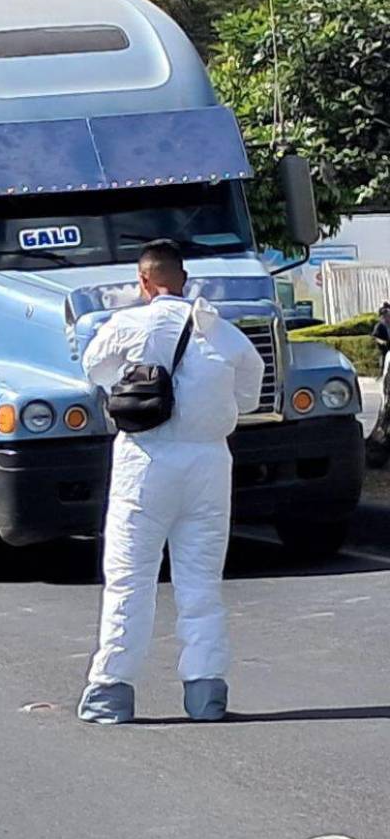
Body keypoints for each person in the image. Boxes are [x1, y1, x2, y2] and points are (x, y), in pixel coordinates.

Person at [77, 240, 266, 725]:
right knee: (201, 582)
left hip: (144, 463)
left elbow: (95, 369)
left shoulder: (126, 325)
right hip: (208, 466)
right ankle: (206, 694)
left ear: (143, 282)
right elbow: (247, 398)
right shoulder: (224, 335)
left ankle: (110, 692)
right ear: (184, 279)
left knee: (129, 580)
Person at [371, 303, 390, 370]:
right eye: (387, 316)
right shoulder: (379, 326)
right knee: (384, 366)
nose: (388, 317)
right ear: (383, 316)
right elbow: (374, 337)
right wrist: (381, 341)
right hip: (384, 350)